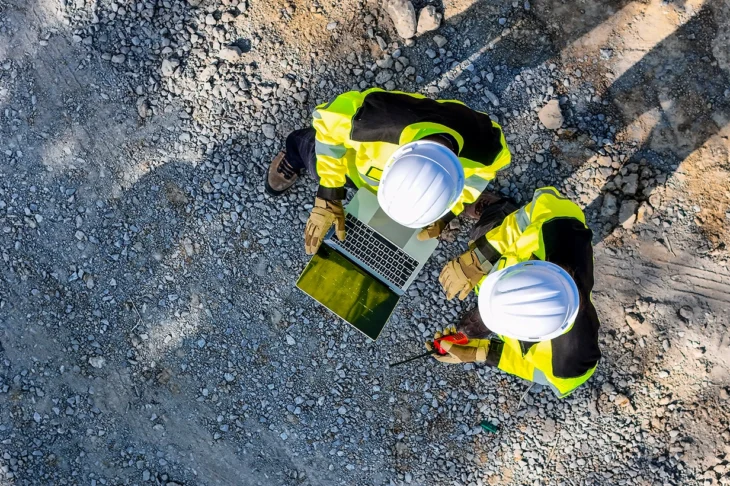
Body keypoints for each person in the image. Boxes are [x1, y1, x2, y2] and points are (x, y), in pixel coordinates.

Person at [264, 87, 511, 254]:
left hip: (372, 177)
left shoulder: (487, 152)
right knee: (314, 156)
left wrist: (447, 214)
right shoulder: (368, 120)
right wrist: (329, 188)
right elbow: (326, 123)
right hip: (352, 167)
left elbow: (474, 181)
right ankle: (295, 149)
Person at [427, 187, 601, 398]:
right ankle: (497, 207)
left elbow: (542, 375)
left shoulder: (570, 363)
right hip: (510, 266)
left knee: (478, 238)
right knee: (482, 236)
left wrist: (485, 352)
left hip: (510, 275)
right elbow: (529, 213)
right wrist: (480, 256)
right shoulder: (559, 228)